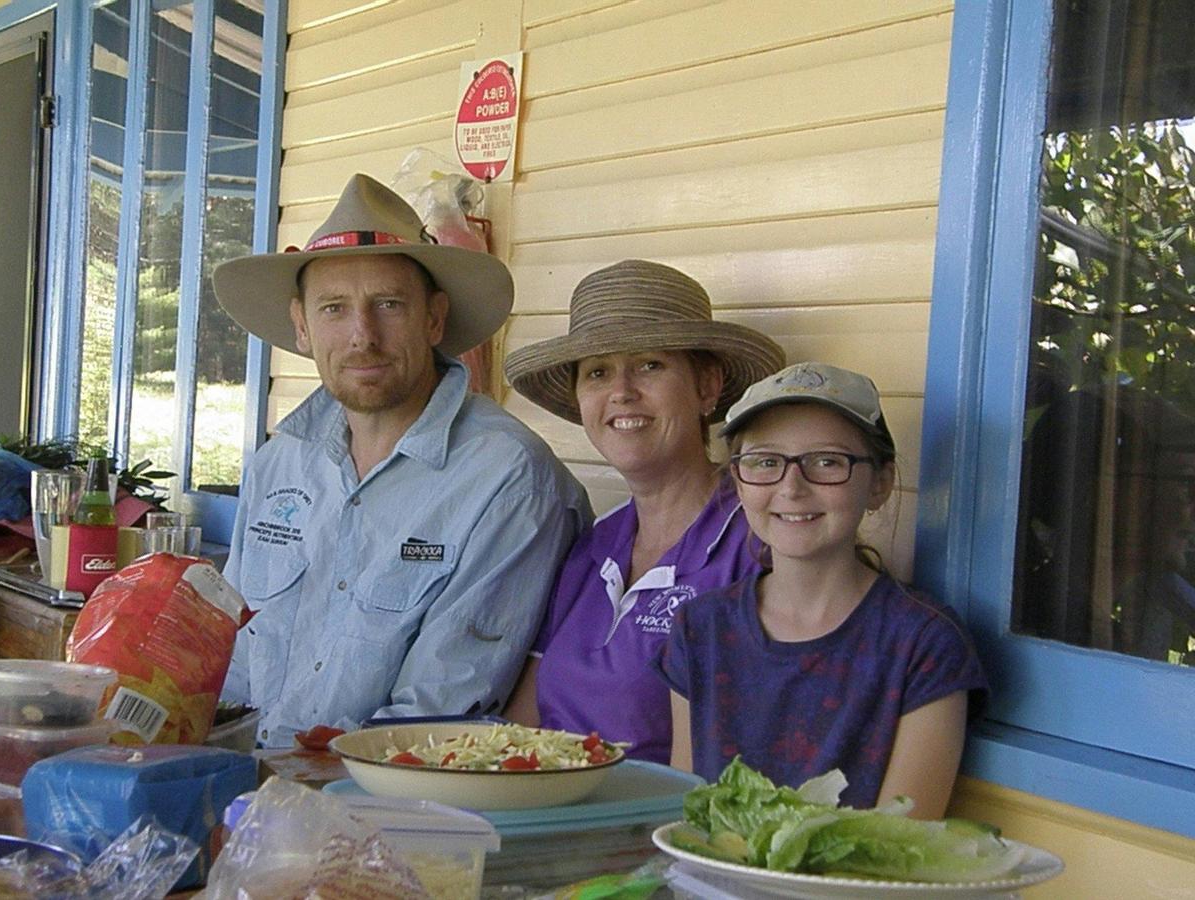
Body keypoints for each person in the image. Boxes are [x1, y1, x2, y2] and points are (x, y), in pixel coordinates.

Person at [211, 173, 591, 748]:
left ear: (434, 319)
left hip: (384, 792)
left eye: (388, 305)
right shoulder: (278, 464)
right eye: (334, 308)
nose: (362, 336)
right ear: (302, 326)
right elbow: (228, 661)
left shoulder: (509, 478)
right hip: (244, 777)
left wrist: (285, 783)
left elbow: (436, 715)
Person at [656, 362, 987, 817]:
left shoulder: (923, 643)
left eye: (827, 461)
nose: (792, 487)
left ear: (880, 483)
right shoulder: (700, 629)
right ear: (738, 481)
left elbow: (900, 840)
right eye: (766, 462)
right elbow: (685, 809)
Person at [501, 259, 785, 762]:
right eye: (598, 372)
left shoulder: (757, 543)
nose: (621, 392)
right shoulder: (594, 544)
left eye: (650, 365)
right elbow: (522, 726)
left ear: (707, 387)